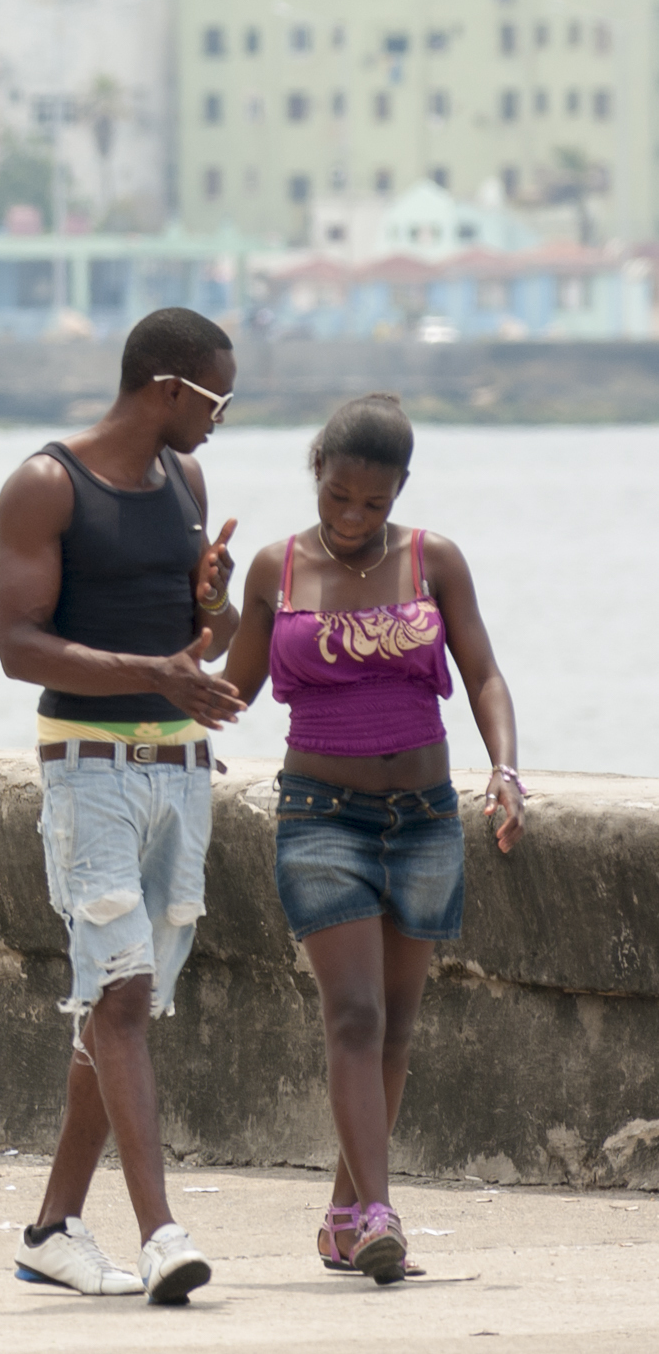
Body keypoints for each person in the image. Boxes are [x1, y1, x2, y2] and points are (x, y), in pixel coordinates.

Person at [213, 394, 524, 1287]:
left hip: (423, 816)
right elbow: (228, 685)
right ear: (316, 472)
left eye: (372, 504)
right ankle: (380, 1215)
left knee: (394, 1026)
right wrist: (200, 608)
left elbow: (485, 675)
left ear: (399, 494)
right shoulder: (277, 567)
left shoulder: (436, 561)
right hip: (320, 816)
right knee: (352, 1012)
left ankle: (346, 1218)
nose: (352, 519)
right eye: (337, 498)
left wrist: (505, 769)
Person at [0, 305, 246, 1305]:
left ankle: (53, 1228)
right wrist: (157, 670)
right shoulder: (47, 484)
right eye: (218, 397)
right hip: (87, 770)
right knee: (124, 995)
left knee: (118, 1004)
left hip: (182, 771)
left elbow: (203, 646)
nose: (224, 417)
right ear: (167, 388)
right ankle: (161, 1233)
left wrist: (214, 604)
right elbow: (19, 644)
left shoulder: (187, 480)